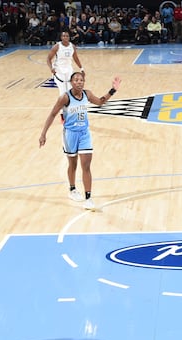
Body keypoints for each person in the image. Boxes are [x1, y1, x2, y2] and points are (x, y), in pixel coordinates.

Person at [39, 71, 121, 210]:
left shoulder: (87, 94)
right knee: (73, 164)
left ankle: (88, 198)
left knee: (86, 165)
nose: (79, 82)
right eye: (76, 80)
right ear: (71, 82)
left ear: (84, 82)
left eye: (81, 80)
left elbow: (100, 102)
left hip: (84, 133)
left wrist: (113, 90)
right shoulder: (65, 97)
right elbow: (53, 114)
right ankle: (72, 189)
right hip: (70, 134)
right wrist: (43, 134)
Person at [47, 31, 83, 99]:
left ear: (69, 37)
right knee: (62, 91)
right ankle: (63, 107)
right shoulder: (56, 46)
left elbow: (76, 58)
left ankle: (69, 105)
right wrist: (51, 68)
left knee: (70, 89)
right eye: (64, 36)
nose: (65, 37)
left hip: (69, 69)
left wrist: (81, 68)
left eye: (67, 36)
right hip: (59, 70)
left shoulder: (72, 46)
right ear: (61, 37)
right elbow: (48, 59)